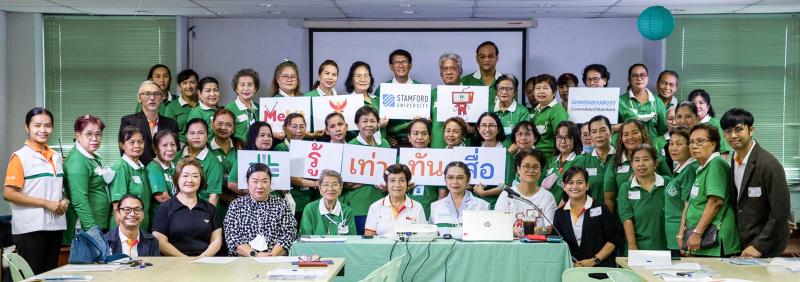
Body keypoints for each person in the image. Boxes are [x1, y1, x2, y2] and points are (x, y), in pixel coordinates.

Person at [3, 108, 67, 274]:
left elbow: (54, 188)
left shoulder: (56, 157)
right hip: (30, 229)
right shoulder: (20, 157)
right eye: (37, 125)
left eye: (47, 126)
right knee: (29, 275)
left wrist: (64, 199)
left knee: (49, 274)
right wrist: (46, 203)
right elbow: (9, 194)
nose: (43, 130)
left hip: (54, 227)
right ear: (27, 128)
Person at [721, 108, 791, 258]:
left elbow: (780, 211)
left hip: (767, 244)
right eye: (728, 130)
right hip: (744, 242)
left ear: (751, 130)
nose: (733, 135)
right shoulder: (734, 158)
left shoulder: (768, 164)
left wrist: (759, 246)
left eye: (738, 129)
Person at [681, 124, 741, 257]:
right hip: (703, 237)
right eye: (691, 142)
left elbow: (715, 202)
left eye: (700, 141)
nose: (694, 146)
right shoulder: (703, 167)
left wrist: (697, 233)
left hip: (714, 239)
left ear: (713, 145)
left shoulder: (716, 163)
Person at [152, 159, 223, 257]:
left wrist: (203, 257)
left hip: (205, 262)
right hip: (174, 264)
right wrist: (184, 259)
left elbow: (217, 240)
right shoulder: (165, 208)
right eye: (185, 176)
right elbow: (159, 240)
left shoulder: (210, 209)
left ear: (201, 180)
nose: (190, 180)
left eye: (195, 176)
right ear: (177, 179)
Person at [553, 167, 620, 268]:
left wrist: (594, 260)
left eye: (579, 182)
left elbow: (614, 238)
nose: (575, 186)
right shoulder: (559, 213)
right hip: (571, 268)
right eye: (570, 182)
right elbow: (557, 244)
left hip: (601, 267)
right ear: (564, 186)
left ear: (587, 185)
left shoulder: (600, 208)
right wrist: (571, 263)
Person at [604, 119, 672, 218]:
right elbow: (609, 198)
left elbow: (669, 189)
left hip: (656, 218)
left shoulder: (658, 160)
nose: (630, 137)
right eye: (625, 134)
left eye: (635, 133)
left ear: (643, 134)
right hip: (623, 221)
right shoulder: (615, 163)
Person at [225, 163, 297, 257]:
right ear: (247, 182)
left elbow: (289, 234)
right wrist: (255, 255)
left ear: (270, 182)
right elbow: (232, 237)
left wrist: (271, 256)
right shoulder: (236, 206)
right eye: (255, 181)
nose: (259, 186)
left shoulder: (282, 205)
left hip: (275, 260)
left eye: (264, 181)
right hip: (243, 261)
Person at [64, 115, 111, 244]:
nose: (94, 138)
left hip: (97, 223)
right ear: (78, 136)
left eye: (98, 134)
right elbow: (79, 200)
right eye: (89, 134)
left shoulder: (91, 157)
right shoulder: (78, 161)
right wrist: (93, 232)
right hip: (85, 228)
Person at [344, 106, 391, 234]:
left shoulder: (385, 144)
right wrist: (372, 179)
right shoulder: (350, 147)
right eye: (365, 121)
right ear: (357, 124)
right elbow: (347, 184)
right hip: (359, 206)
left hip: (383, 204)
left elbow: (389, 174)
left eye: (373, 121)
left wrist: (388, 186)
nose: (369, 125)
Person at [618, 144, 670, 255]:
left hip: (666, 247)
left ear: (655, 163)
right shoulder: (626, 188)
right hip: (638, 248)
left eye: (646, 159)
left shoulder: (667, 183)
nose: (641, 164)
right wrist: (632, 245)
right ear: (632, 164)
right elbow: (627, 218)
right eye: (636, 160)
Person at [495, 148, 557, 237]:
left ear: (540, 171)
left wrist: (540, 229)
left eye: (536, 167)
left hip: (538, 245)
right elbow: (498, 224)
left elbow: (550, 228)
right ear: (518, 169)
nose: (531, 170)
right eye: (526, 166)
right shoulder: (506, 195)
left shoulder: (547, 196)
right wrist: (510, 230)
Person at [120, 80, 179, 166]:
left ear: (162, 98)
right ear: (139, 98)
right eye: (147, 94)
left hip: (163, 173)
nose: (152, 98)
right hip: (138, 172)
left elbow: (175, 152)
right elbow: (125, 152)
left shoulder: (171, 124)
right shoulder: (128, 121)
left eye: (156, 94)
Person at [274, 113, 318, 221]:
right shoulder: (281, 148)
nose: (298, 130)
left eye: (302, 126)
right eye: (294, 126)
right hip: (292, 202)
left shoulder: (310, 147)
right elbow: (286, 177)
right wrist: (315, 183)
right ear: (285, 128)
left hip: (310, 201)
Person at [375, 49, 423, 146]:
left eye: (404, 62)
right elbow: (376, 117)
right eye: (397, 63)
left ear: (410, 66)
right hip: (391, 142)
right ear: (391, 67)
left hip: (416, 142)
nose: (401, 66)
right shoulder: (383, 89)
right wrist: (385, 135)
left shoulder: (420, 88)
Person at [429, 161, 490, 236]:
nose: (455, 182)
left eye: (460, 177)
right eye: (450, 177)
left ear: (468, 179)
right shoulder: (435, 207)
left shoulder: (483, 206)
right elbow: (431, 238)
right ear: (445, 179)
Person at [664, 126, 699, 255]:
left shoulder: (690, 170)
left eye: (679, 144)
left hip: (682, 237)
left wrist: (681, 236)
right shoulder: (680, 168)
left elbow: (688, 207)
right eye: (671, 144)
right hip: (672, 235)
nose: (673, 148)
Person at [364, 164, 426, 236]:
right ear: (386, 183)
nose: (397, 185)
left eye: (402, 180)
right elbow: (369, 239)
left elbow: (423, 238)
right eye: (392, 180)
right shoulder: (375, 207)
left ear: (408, 183)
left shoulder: (417, 207)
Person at [110, 126, 151, 231]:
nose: (137, 146)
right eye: (131, 142)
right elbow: (117, 206)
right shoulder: (120, 168)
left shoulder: (143, 169)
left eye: (140, 142)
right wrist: (121, 234)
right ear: (122, 145)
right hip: (125, 231)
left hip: (140, 228)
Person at [406, 119, 448, 218]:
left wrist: (434, 213)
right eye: (415, 133)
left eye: (424, 134)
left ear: (430, 138)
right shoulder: (401, 159)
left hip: (431, 212)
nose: (419, 137)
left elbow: (443, 192)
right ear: (409, 137)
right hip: (405, 212)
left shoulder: (438, 159)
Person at [616, 64, 669, 140]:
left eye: (642, 75)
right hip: (629, 148)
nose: (639, 78)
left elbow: (662, 131)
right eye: (635, 75)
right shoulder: (621, 100)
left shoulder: (657, 101)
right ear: (629, 79)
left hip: (652, 148)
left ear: (647, 78)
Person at [210, 109, 245, 223]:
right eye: (219, 123)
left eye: (228, 125)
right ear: (212, 124)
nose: (223, 128)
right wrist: (223, 196)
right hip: (216, 204)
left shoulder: (241, 146)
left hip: (241, 205)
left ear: (234, 128)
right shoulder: (206, 149)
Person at [178, 118, 223, 206]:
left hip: (201, 211)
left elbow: (213, 197)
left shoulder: (213, 162)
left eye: (201, 133)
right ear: (186, 135)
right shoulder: (176, 157)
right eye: (192, 133)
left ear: (208, 136)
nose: (196, 137)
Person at [572, 116, 615, 204]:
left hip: (621, 215)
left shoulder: (623, 159)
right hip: (591, 214)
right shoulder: (582, 163)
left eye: (603, 130)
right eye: (594, 132)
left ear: (611, 132)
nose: (598, 135)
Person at [299, 170, 356, 236]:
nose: (330, 188)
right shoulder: (310, 209)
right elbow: (304, 239)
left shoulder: (347, 211)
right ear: (320, 188)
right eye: (326, 185)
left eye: (335, 184)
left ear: (340, 188)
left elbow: (351, 240)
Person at [539, 121, 584, 205]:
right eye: (559, 137)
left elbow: (572, 192)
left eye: (567, 138)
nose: (563, 141)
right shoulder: (551, 161)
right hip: (545, 209)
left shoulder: (579, 160)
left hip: (564, 211)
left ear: (575, 139)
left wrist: (557, 213)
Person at [471, 112, 506, 207]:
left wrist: (484, 193)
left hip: (498, 204)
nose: (487, 129)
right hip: (475, 203)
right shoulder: (474, 153)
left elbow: (508, 186)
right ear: (478, 129)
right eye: (483, 125)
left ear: (499, 129)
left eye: (491, 125)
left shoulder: (505, 154)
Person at [345, 61, 386, 141]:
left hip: (381, 146)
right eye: (358, 76)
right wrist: (377, 125)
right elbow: (349, 130)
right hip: (358, 147)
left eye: (366, 76)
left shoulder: (378, 100)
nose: (363, 79)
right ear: (351, 80)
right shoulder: (347, 102)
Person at [530, 74, 569, 157]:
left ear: (554, 92)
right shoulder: (535, 110)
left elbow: (562, 138)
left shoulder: (557, 111)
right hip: (535, 157)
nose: (541, 91)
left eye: (545, 88)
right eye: (538, 88)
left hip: (549, 159)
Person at [228, 122, 274, 191]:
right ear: (253, 137)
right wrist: (253, 194)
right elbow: (231, 184)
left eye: (269, 135)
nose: (266, 138)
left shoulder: (277, 157)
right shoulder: (244, 158)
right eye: (262, 135)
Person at [146, 130, 179, 227]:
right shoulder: (153, 168)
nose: (170, 149)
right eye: (164, 145)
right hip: (161, 221)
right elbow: (163, 198)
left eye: (173, 144)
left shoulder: (175, 167)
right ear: (155, 149)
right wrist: (184, 209)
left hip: (174, 218)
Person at [431, 52, 464, 149]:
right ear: (441, 73)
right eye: (445, 69)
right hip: (438, 146)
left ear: (460, 71)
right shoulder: (432, 94)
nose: (449, 72)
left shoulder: (472, 93)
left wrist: (471, 129)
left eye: (453, 68)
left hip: (465, 147)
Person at [461, 41, 503, 111]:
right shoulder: (464, 81)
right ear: (477, 58)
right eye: (482, 56)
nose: (486, 59)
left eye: (490, 56)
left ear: (497, 58)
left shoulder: (508, 83)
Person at [689, 89, 730, 156]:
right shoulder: (687, 124)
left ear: (708, 107)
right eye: (693, 103)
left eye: (701, 103)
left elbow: (723, 151)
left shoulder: (716, 123)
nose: (697, 106)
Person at [493, 74, 531, 148]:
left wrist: (507, 155)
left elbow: (523, 138)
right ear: (496, 91)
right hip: (493, 154)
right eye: (500, 88)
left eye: (508, 89)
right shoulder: (489, 110)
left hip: (514, 156)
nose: (504, 92)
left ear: (515, 92)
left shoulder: (522, 111)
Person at [225, 68, 260, 142]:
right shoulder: (229, 109)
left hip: (258, 151)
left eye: (250, 85)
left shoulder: (260, 108)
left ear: (255, 88)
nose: (246, 89)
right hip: (238, 150)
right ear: (236, 89)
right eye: (242, 85)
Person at [165, 69, 199, 145]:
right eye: (185, 83)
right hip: (181, 145)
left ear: (197, 84)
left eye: (192, 82)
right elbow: (168, 133)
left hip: (205, 145)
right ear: (179, 86)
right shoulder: (172, 107)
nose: (189, 86)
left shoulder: (205, 103)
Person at [505, 121, 540, 186]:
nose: (523, 138)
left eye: (527, 134)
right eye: (519, 134)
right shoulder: (513, 157)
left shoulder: (539, 158)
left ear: (535, 138)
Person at [668, 101, 700, 171]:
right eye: (679, 116)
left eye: (688, 116)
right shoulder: (669, 146)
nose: (682, 121)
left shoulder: (703, 144)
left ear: (697, 118)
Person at [187, 77, 221, 141]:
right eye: (208, 91)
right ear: (199, 93)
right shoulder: (196, 113)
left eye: (215, 90)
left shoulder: (222, 110)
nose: (213, 94)